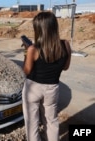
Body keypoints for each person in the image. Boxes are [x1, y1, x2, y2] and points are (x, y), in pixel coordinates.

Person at [21, 11, 71, 141]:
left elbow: (26, 71)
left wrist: (26, 52)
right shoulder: (65, 44)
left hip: (33, 88)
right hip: (52, 88)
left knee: (32, 122)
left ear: (38, 29)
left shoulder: (33, 49)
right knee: (51, 120)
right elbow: (65, 67)